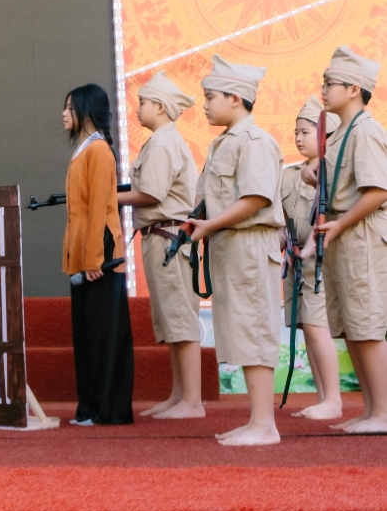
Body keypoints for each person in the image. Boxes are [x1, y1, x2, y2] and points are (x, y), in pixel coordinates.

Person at [187, 54, 284, 446]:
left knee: (254, 329)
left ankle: (265, 426)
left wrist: (210, 225)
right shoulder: (224, 143)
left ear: (235, 97)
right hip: (231, 247)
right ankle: (257, 420)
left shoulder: (255, 141)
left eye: (211, 96)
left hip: (250, 245)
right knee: (243, 331)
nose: (205, 105)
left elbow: (256, 198)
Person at [119, 71, 203, 419]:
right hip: (163, 238)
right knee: (172, 317)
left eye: (143, 102)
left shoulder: (164, 142)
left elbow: (151, 193)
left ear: (160, 107)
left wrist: (108, 197)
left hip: (169, 239)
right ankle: (179, 395)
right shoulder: (162, 140)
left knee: (180, 317)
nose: (137, 108)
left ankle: (192, 401)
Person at [313, 45, 387, 434]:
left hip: (360, 234)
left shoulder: (366, 131)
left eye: (330, 83)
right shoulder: (344, 131)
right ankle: (371, 410)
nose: (323, 90)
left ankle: (382, 413)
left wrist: (340, 225)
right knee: (353, 325)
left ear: (354, 89)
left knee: (367, 324)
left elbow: (378, 191)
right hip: (344, 234)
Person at [61, 83, 134, 426]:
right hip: (85, 253)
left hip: (100, 255)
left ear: (86, 112)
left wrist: (94, 260)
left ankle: (107, 410)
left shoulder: (99, 151)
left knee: (104, 337)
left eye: (69, 107)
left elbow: (101, 210)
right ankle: (89, 407)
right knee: (87, 337)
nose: (63, 114)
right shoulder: (84, 149)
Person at [281, 96, 342, 420]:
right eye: (296, 132)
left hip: (321, 260)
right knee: (306, 327)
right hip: (295, 261)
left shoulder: (334, 172)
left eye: (305, 132)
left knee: (318, 326)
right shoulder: (289, 174)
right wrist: (283, 246)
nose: (298, 138)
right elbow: (283, 220)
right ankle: (323, 398)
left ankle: (333, 399)